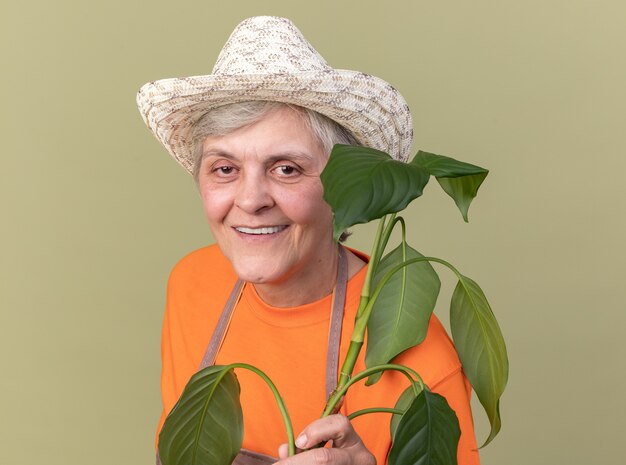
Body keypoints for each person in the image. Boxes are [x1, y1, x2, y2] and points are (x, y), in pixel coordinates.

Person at [137, 16, 480, 465]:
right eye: (225, 168)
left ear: (341, 187)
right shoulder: (190, 282)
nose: (251, 199)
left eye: (287, 169)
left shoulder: (422, 363)